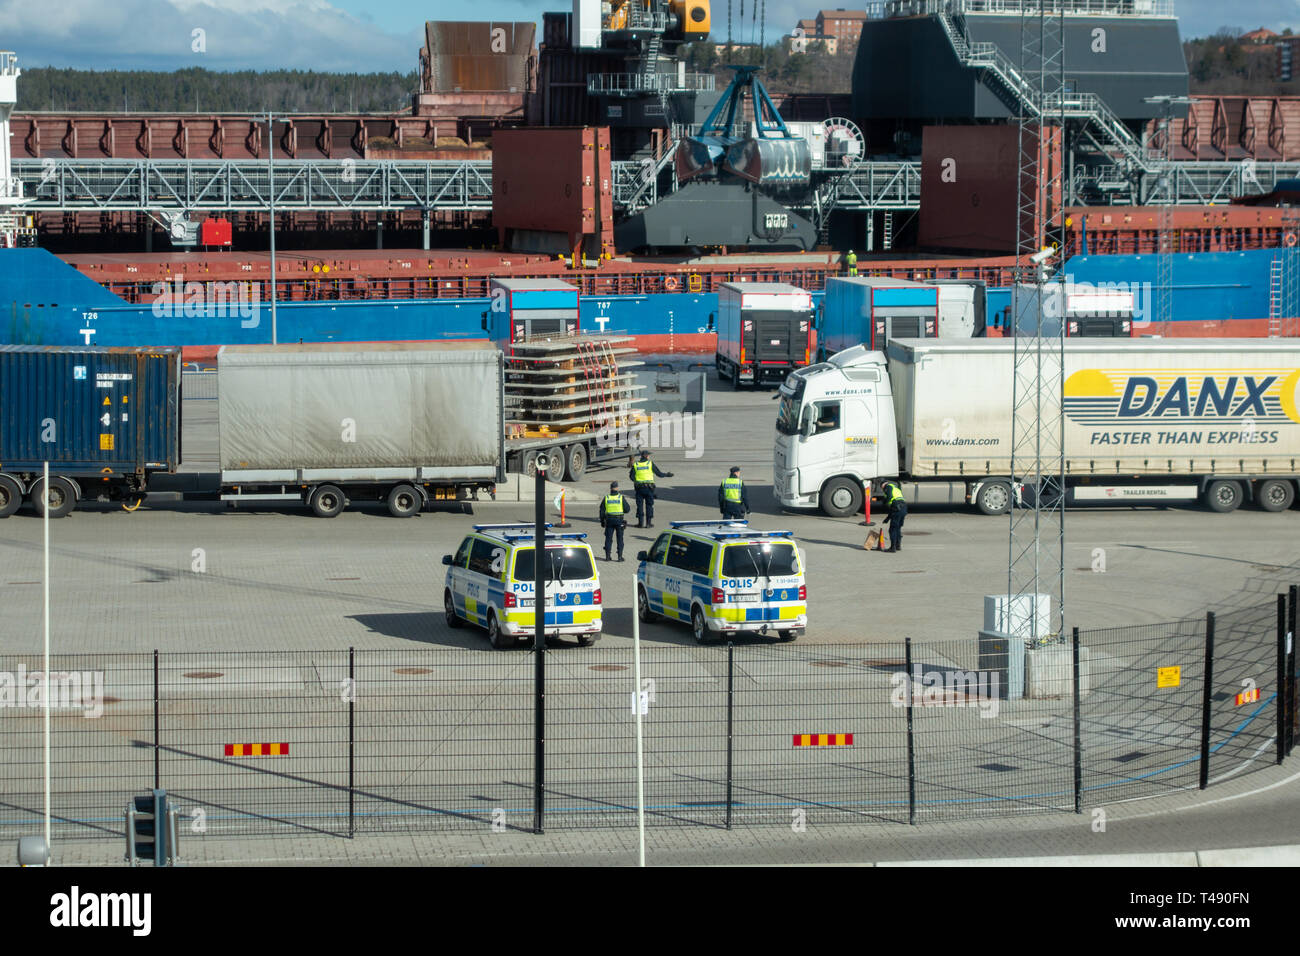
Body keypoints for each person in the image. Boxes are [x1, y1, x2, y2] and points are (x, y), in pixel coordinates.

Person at [629, 449, 672, 528]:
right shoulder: (650, 464)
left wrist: (637, 481)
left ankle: (640, 523)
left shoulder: (636, 465)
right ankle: (648, 524)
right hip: (649, 489)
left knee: (640, 506)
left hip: (639, 488)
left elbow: (631, 477)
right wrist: (667, 475)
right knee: (649, 505)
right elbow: (659, 474)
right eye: (648, 455)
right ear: (647, 456)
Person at [599, 481, 629, 561]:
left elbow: (602, 511)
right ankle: (619, 557)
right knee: (619, 539)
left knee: (608, 539)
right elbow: (627, 509)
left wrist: (602, 521)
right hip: (619, 520)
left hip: (609, 521)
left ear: (610, 488)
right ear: (617, 488)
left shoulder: (607, 498)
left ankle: (607, 557)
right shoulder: (620, 497)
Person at [882, 480, 907, 553]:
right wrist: (887, 518)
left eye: (882, 487)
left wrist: (885, 503)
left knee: (892, 529)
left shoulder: (888, 486)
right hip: (903, 508)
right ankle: (898, 546)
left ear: (883, 485)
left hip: (897, 508)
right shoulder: (896, 488)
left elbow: (889, 498)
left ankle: (892, 548)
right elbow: (892, 507)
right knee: (898, 528)